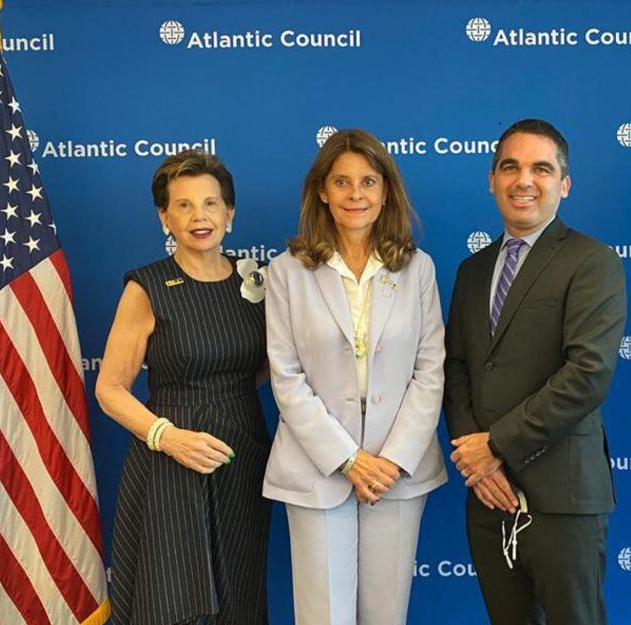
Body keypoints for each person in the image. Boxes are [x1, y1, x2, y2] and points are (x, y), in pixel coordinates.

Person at [444, 119, 627, 625]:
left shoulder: (592, 262)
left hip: (562, 499)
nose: (523, 180)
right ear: (492, 179)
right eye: (510, 167)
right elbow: (456, 369)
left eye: (541, 169)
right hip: (489, 497)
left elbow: (587, 375)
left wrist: (496, 446)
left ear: (564, 184)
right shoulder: (471, 271)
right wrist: (478, 463)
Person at [263, 129, 447, 625]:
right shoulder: (286, 272)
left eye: (368, 181)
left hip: (396, 472)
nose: (355, 194)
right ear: (322, 191)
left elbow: (430, 371)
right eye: (341, 182)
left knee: (387, 615)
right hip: (318, 468)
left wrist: (391, 461)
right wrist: (348, 459)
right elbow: (286, 376)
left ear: (386, 190)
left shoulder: (418, 269)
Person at [97, 149, 271, 625]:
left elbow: (262, 367)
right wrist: (168, 437)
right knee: (173, 600)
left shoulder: (257, 280)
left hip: (241, 455)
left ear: (230, 212)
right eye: (184, 205)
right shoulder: (146, 287)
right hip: (170, 464)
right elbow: (110, 389)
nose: (200, 217)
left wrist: (225, 400)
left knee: (240, 597)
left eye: (211, 203)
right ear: (165, 217)